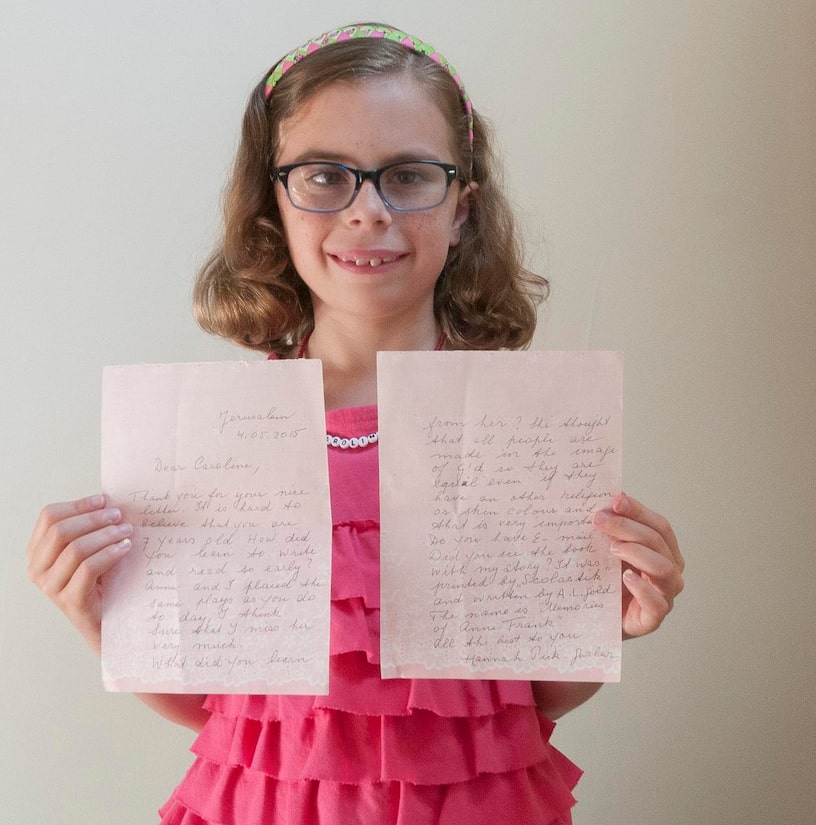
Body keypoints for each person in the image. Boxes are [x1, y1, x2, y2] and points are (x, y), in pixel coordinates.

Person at [26, 23, 685, 825]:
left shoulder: (526, 434)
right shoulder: (214, 442)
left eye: (408, 175)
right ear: (274, 202)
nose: (368, 211)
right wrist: (99, 615)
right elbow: (222, 716)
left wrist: (614, 620)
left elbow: (527, 703)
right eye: (325, 176)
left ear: (463, 209)